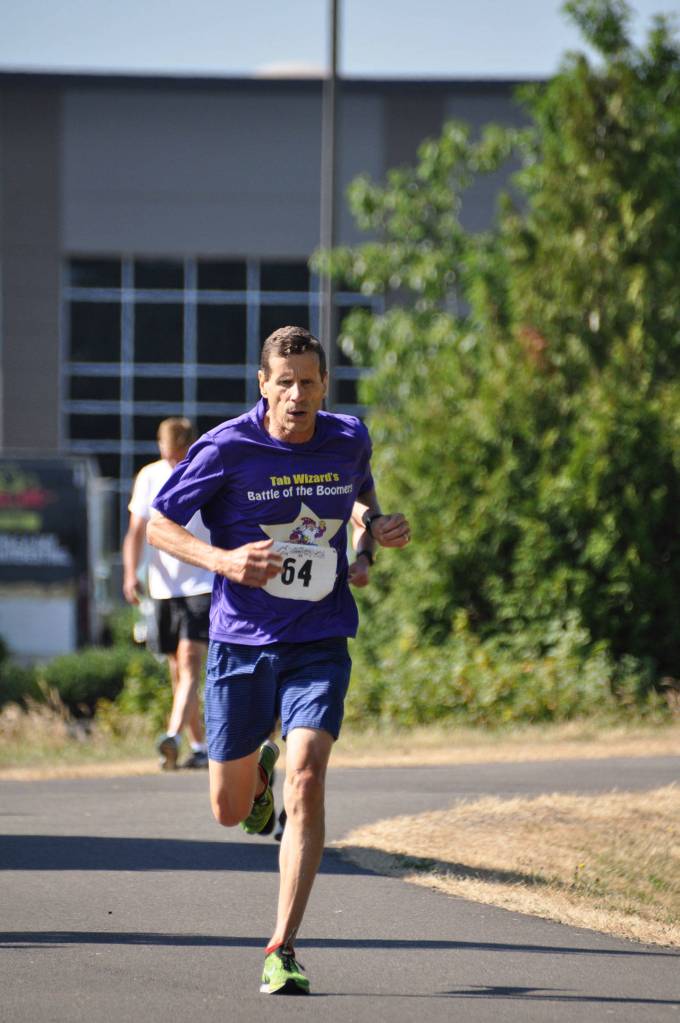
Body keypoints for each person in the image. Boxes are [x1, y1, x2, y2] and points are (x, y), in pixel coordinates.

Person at [147, 326, 410, 995]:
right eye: (284, 382)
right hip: (241, 643)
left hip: (320, 638)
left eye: (308, 382)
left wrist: (372, 535)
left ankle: (282, 946)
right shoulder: (227, 447)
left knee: (310, 775)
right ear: (263, 384)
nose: (297, 394)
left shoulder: (348, 437)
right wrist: (224, 560)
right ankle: (255, 779)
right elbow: (158, 524)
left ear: (325, 386)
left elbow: (360, 496)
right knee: (228, 809)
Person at [122, 417, 213, 770]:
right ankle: (200, 746)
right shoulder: (149, 476)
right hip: (163, 588)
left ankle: (172, 735)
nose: (173, 462)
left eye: (179, 455)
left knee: (189, 661)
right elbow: (136, 530)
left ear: (190, 446)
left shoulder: (205, 471)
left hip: (202, 581)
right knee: (177, 670)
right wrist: (131, 573)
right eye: (168, 454)